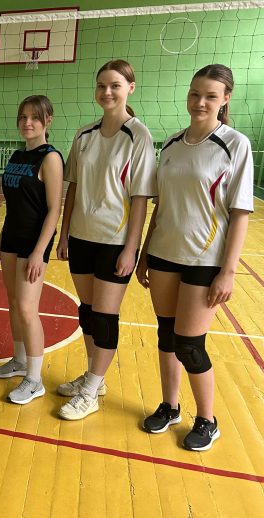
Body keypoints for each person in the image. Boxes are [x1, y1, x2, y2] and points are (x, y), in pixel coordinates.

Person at [136, 64, 253, 451]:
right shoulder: (171, 144)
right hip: (163, 253)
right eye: (195, 94)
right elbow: (161, 205)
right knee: (167, 336)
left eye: (210, 96)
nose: (200, 102)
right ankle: (170, 407)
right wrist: (145, 254)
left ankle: (207, 419)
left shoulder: (235, 144)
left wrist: (228, 272)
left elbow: (240, 213)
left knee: (190, 344)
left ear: (225, 99)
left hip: (205, 260)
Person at [56, 60, 157, 420]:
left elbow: (141, 198)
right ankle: (93, 378)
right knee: (87, 312)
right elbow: (73, 187)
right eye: (102, 85)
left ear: (130, 88)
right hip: (81, 237)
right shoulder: (84, 134)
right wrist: (64, 233)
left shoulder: (138, 136)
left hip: (115, 241)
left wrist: (132, 249)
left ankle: (91, 391)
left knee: (104, 316)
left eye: (115, 85)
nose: (107, 92)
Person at [0, 95, 63, 404]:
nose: (27, 122)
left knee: (27, 309)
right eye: (23, 117)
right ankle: (19, 360)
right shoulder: (17, 155)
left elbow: (54, 210)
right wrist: (1, 238)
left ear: (47, 121)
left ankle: (34, 379)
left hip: (34, 244)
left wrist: (39, 252)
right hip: (11, 240)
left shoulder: (51, 158)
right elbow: (14, 204)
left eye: (34, 117)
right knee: (13, 302)